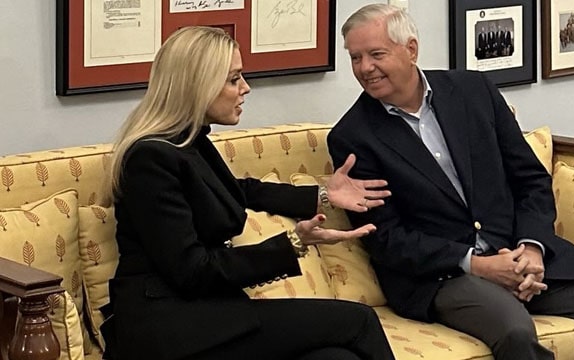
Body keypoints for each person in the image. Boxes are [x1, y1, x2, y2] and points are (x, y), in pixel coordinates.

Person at [327, 4, 574, 360]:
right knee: (515, 330)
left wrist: (533, 247)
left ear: (411, 49)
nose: (365, 68)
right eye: (355, 58)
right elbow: (387, 239)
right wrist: (475, 264)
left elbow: (531, 180)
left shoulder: (473, 90)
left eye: (376, 54)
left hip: (521, 255)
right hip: (445, 276)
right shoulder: (353, 137)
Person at [99, 26, 395, 360]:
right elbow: (192, 271)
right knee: (360, 321)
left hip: (206, 315)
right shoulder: (150, 158)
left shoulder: (188, 142)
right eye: (233, 79)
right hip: (170, 328)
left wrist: (322, 195)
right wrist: (293, 243)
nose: (245, 88)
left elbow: (236, 191)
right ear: (198, 85)